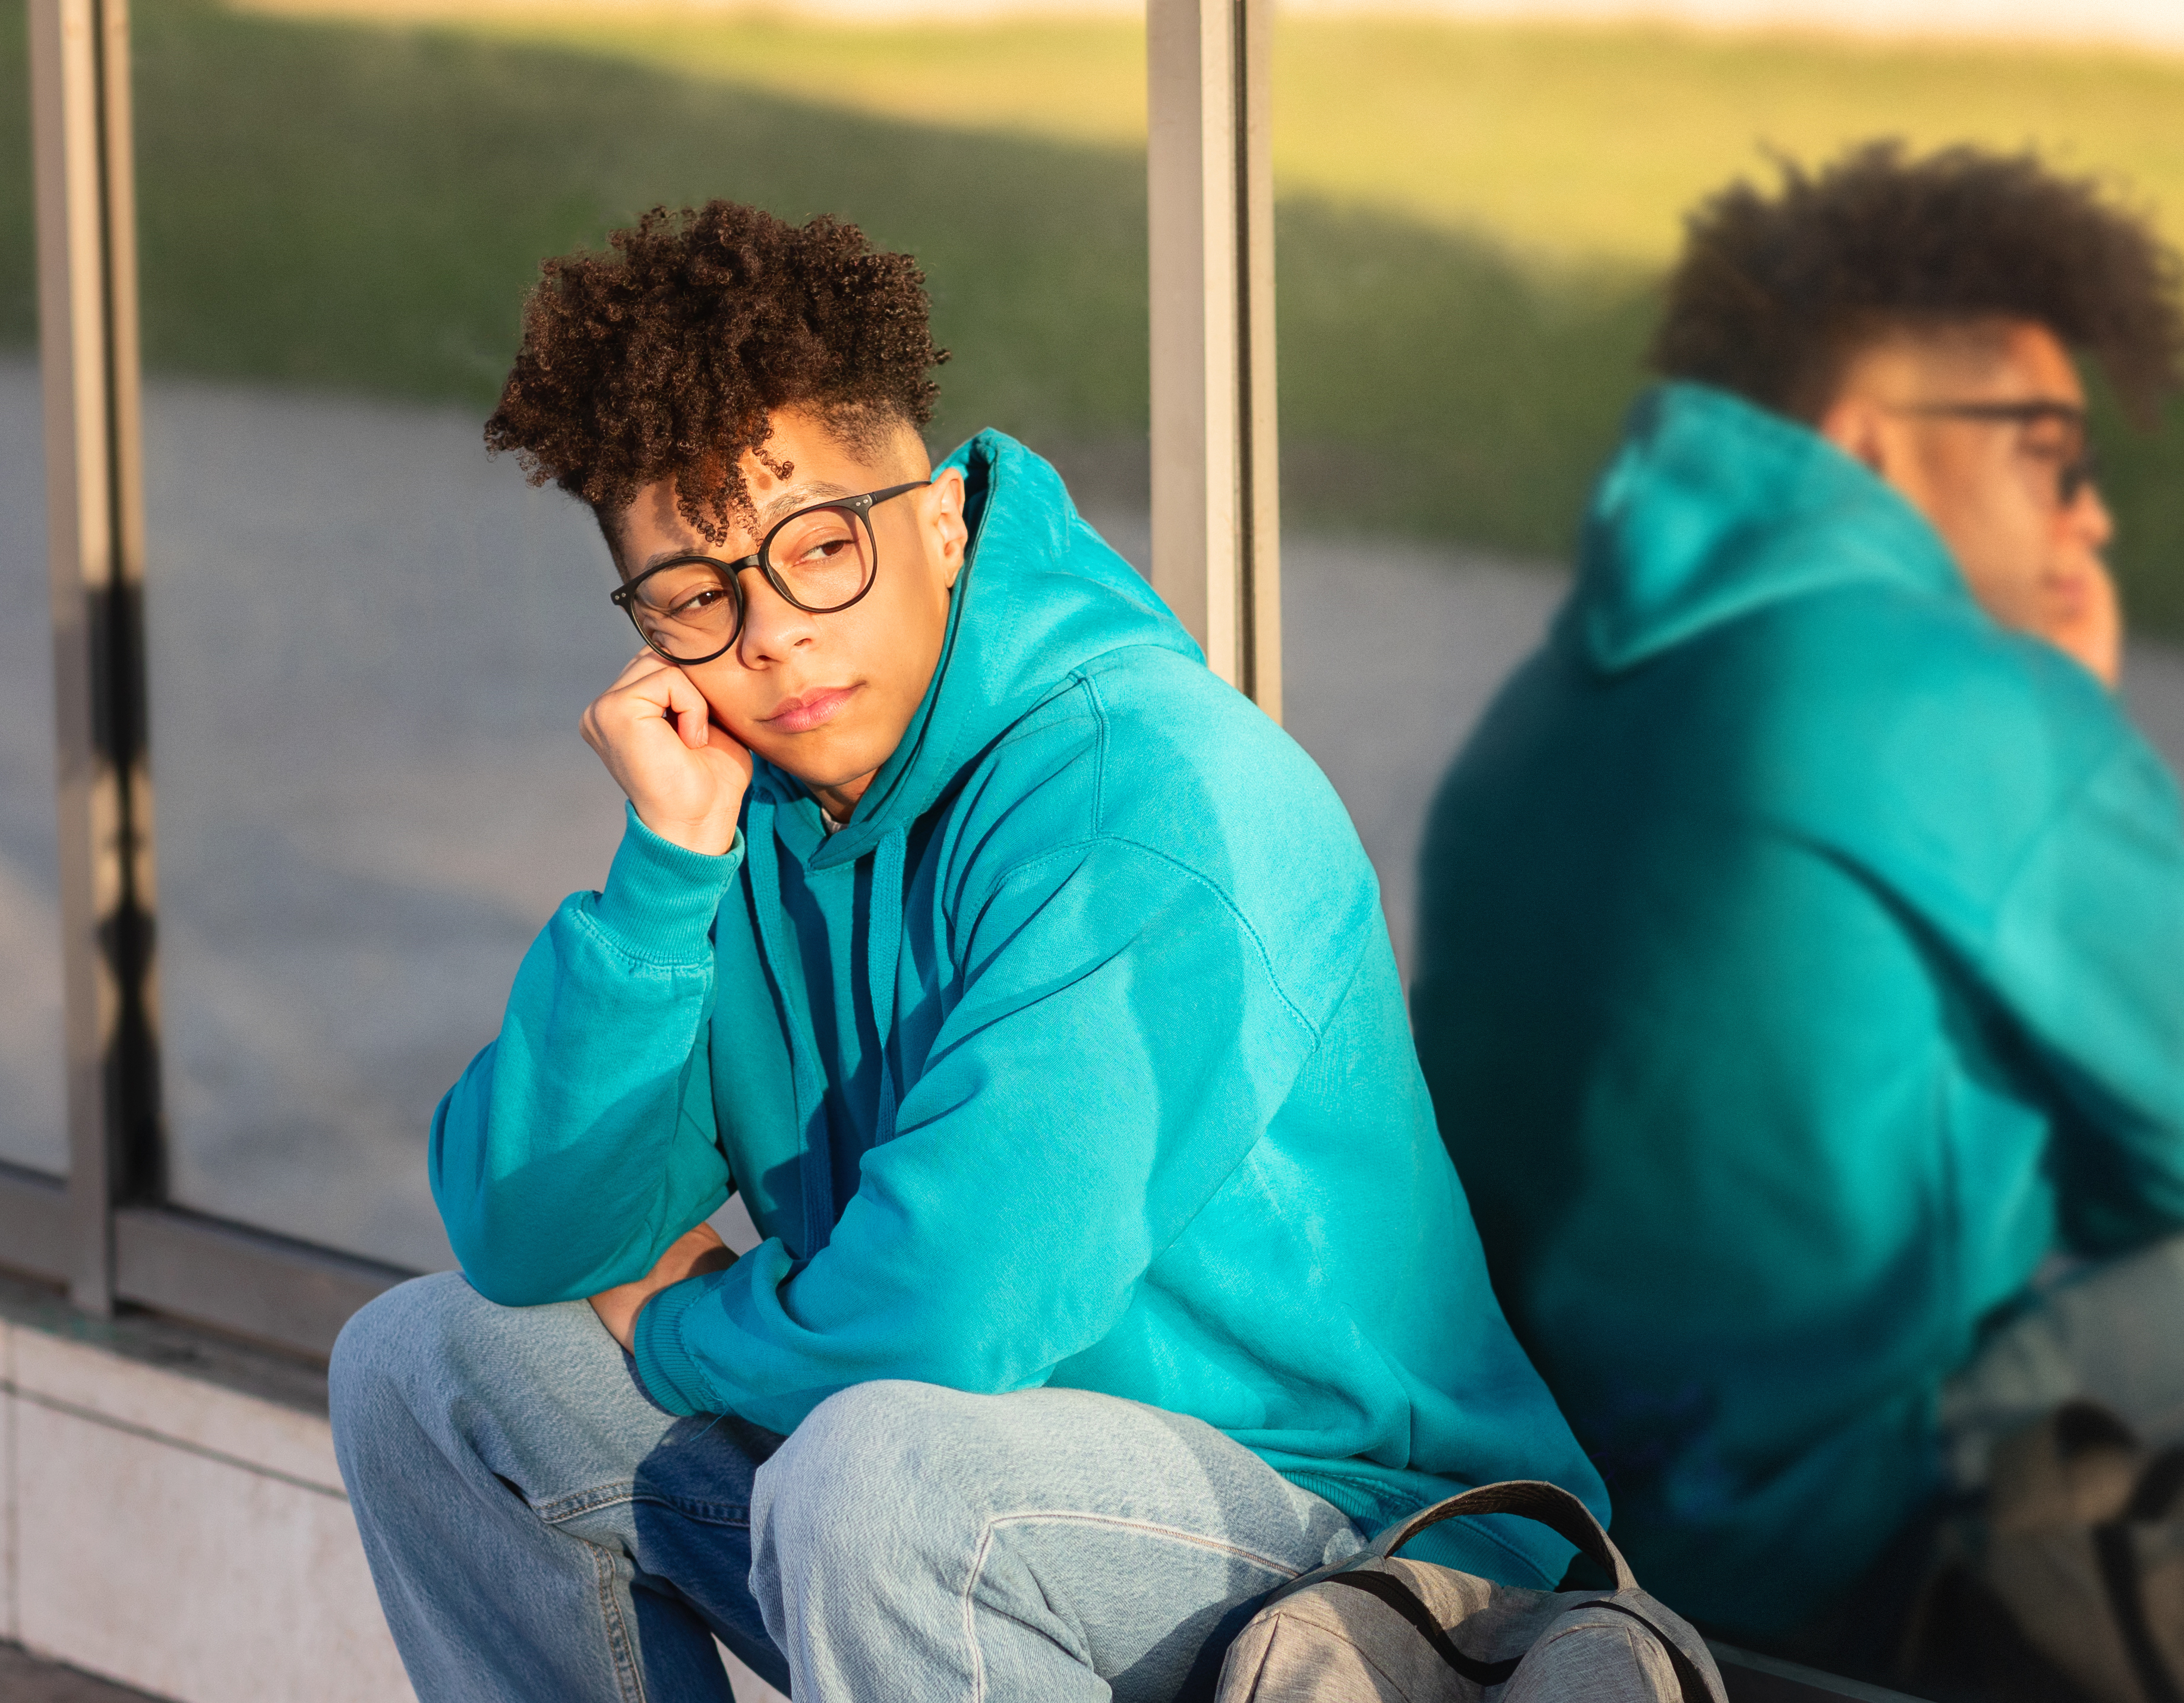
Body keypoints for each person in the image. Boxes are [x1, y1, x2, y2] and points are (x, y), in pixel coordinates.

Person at [329, 200, 1605, 1703]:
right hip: (941, 1488)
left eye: (819, 547)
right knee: (431, 1365)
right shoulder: (755, 810)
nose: (774, 636)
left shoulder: (1150, 793)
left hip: (1355, 1546)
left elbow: (953, 1308)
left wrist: (677, 1328)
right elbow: (530, 1230)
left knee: (883, 1475)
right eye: (697, 594)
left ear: (938, 519)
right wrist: (663, 874)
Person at [1412, 143, 2184, 1662]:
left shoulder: (1539, 708)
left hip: (1557, 1530)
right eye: (2052, 455)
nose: (2093, 520)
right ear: (1871, 448)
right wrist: (2072, 717)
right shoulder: (1957, 703)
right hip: (1838, 1536)